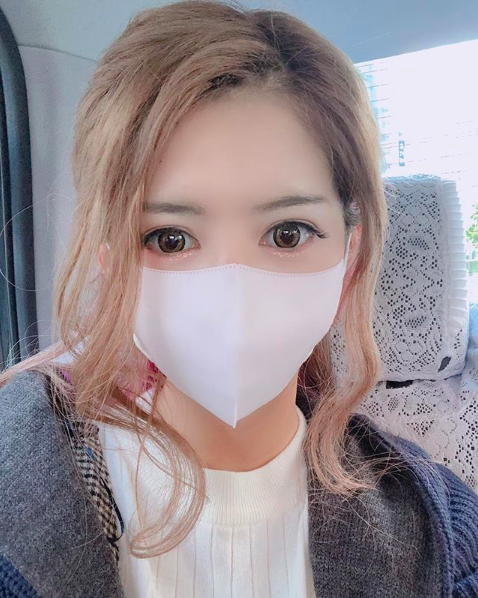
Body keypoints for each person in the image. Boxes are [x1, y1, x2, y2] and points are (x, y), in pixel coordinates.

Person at [1, 1, 477, 597]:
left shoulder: (443, 536)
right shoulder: (16, 482)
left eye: (288, 234)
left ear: (349, 260)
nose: (232, 295)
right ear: (110, 261)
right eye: (170, 239)